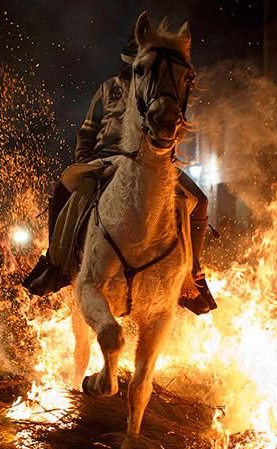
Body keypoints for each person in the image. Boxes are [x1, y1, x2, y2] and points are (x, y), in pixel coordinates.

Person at [25, 36, 216, 314]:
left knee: (198, 199)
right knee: (64, 190)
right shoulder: (107, 89)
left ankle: (191, 273)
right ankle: (56, 262)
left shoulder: (159, 87)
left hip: (150, 161)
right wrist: (86, 159)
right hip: (104, 158)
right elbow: (87, 130)